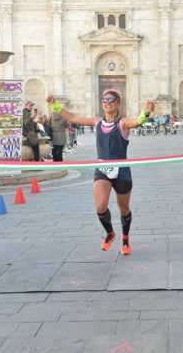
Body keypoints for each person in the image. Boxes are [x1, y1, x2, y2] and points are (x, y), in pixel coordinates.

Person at [47, 91, 155, 255]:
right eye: (104, 100)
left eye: (111, 99)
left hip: (122, 170)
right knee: (101, 205)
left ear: (118, 103)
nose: (107, 102)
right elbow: (73, 118)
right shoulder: (97, 122)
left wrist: (146, 113)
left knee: (124, 209)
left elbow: (136, 123)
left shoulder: (122, 123)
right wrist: (55, 105)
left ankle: (125, 237)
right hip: (103, 168)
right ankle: (110, 233)